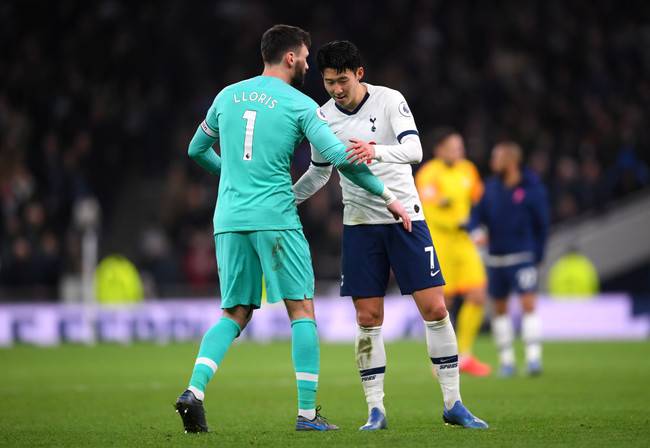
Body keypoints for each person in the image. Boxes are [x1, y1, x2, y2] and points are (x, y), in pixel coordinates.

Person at [175, 25, 412, 434]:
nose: (307, 63)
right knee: (301, 310)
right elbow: (341, 158)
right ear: (290, 57)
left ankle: (194, 391)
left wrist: (232, 175)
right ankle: (307, 415)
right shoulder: (302, 105)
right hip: (276, 217)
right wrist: (387, 195)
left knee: (234, 312)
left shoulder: (226, 96)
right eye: (304, 56)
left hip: (229, 219)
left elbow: (196, 149)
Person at [293, 41, 488, 430]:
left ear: (359, 74)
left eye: (343, 80)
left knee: (435, 308)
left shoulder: (389, 100)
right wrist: (287, 199)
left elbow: (414, 150)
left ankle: (453, 403)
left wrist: (375, 151)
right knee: (368, 317)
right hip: (360, 225)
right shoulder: (322, 117)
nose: (337, 89)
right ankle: (375, 410)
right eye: (329, 82)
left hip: (407, 219)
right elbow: (320, 171)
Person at [415, 129, 491, 377]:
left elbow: (478, 201)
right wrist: (456, 219)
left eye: (460, 147)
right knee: (441, 303)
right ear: (439, 149)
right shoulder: (429, 174)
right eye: (453, 147)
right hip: (440, 241)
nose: (458, 152)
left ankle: (465, 355)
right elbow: (431, 209)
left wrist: (479, 226)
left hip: (464, 241)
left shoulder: (468, 170)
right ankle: (441, 359)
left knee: (478, 294)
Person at [469, 142, 549, 377]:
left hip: (522, 256)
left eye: (497, 158)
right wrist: (476, 231)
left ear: (511, 161)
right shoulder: (490, 188)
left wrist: (538, 255)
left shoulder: (532, 188)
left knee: (528, 304)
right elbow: (475, 217)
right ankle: (507, 361)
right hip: (495, 258)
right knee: (499, 309)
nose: (493, 162)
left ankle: (533, 358)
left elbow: (542, 224)